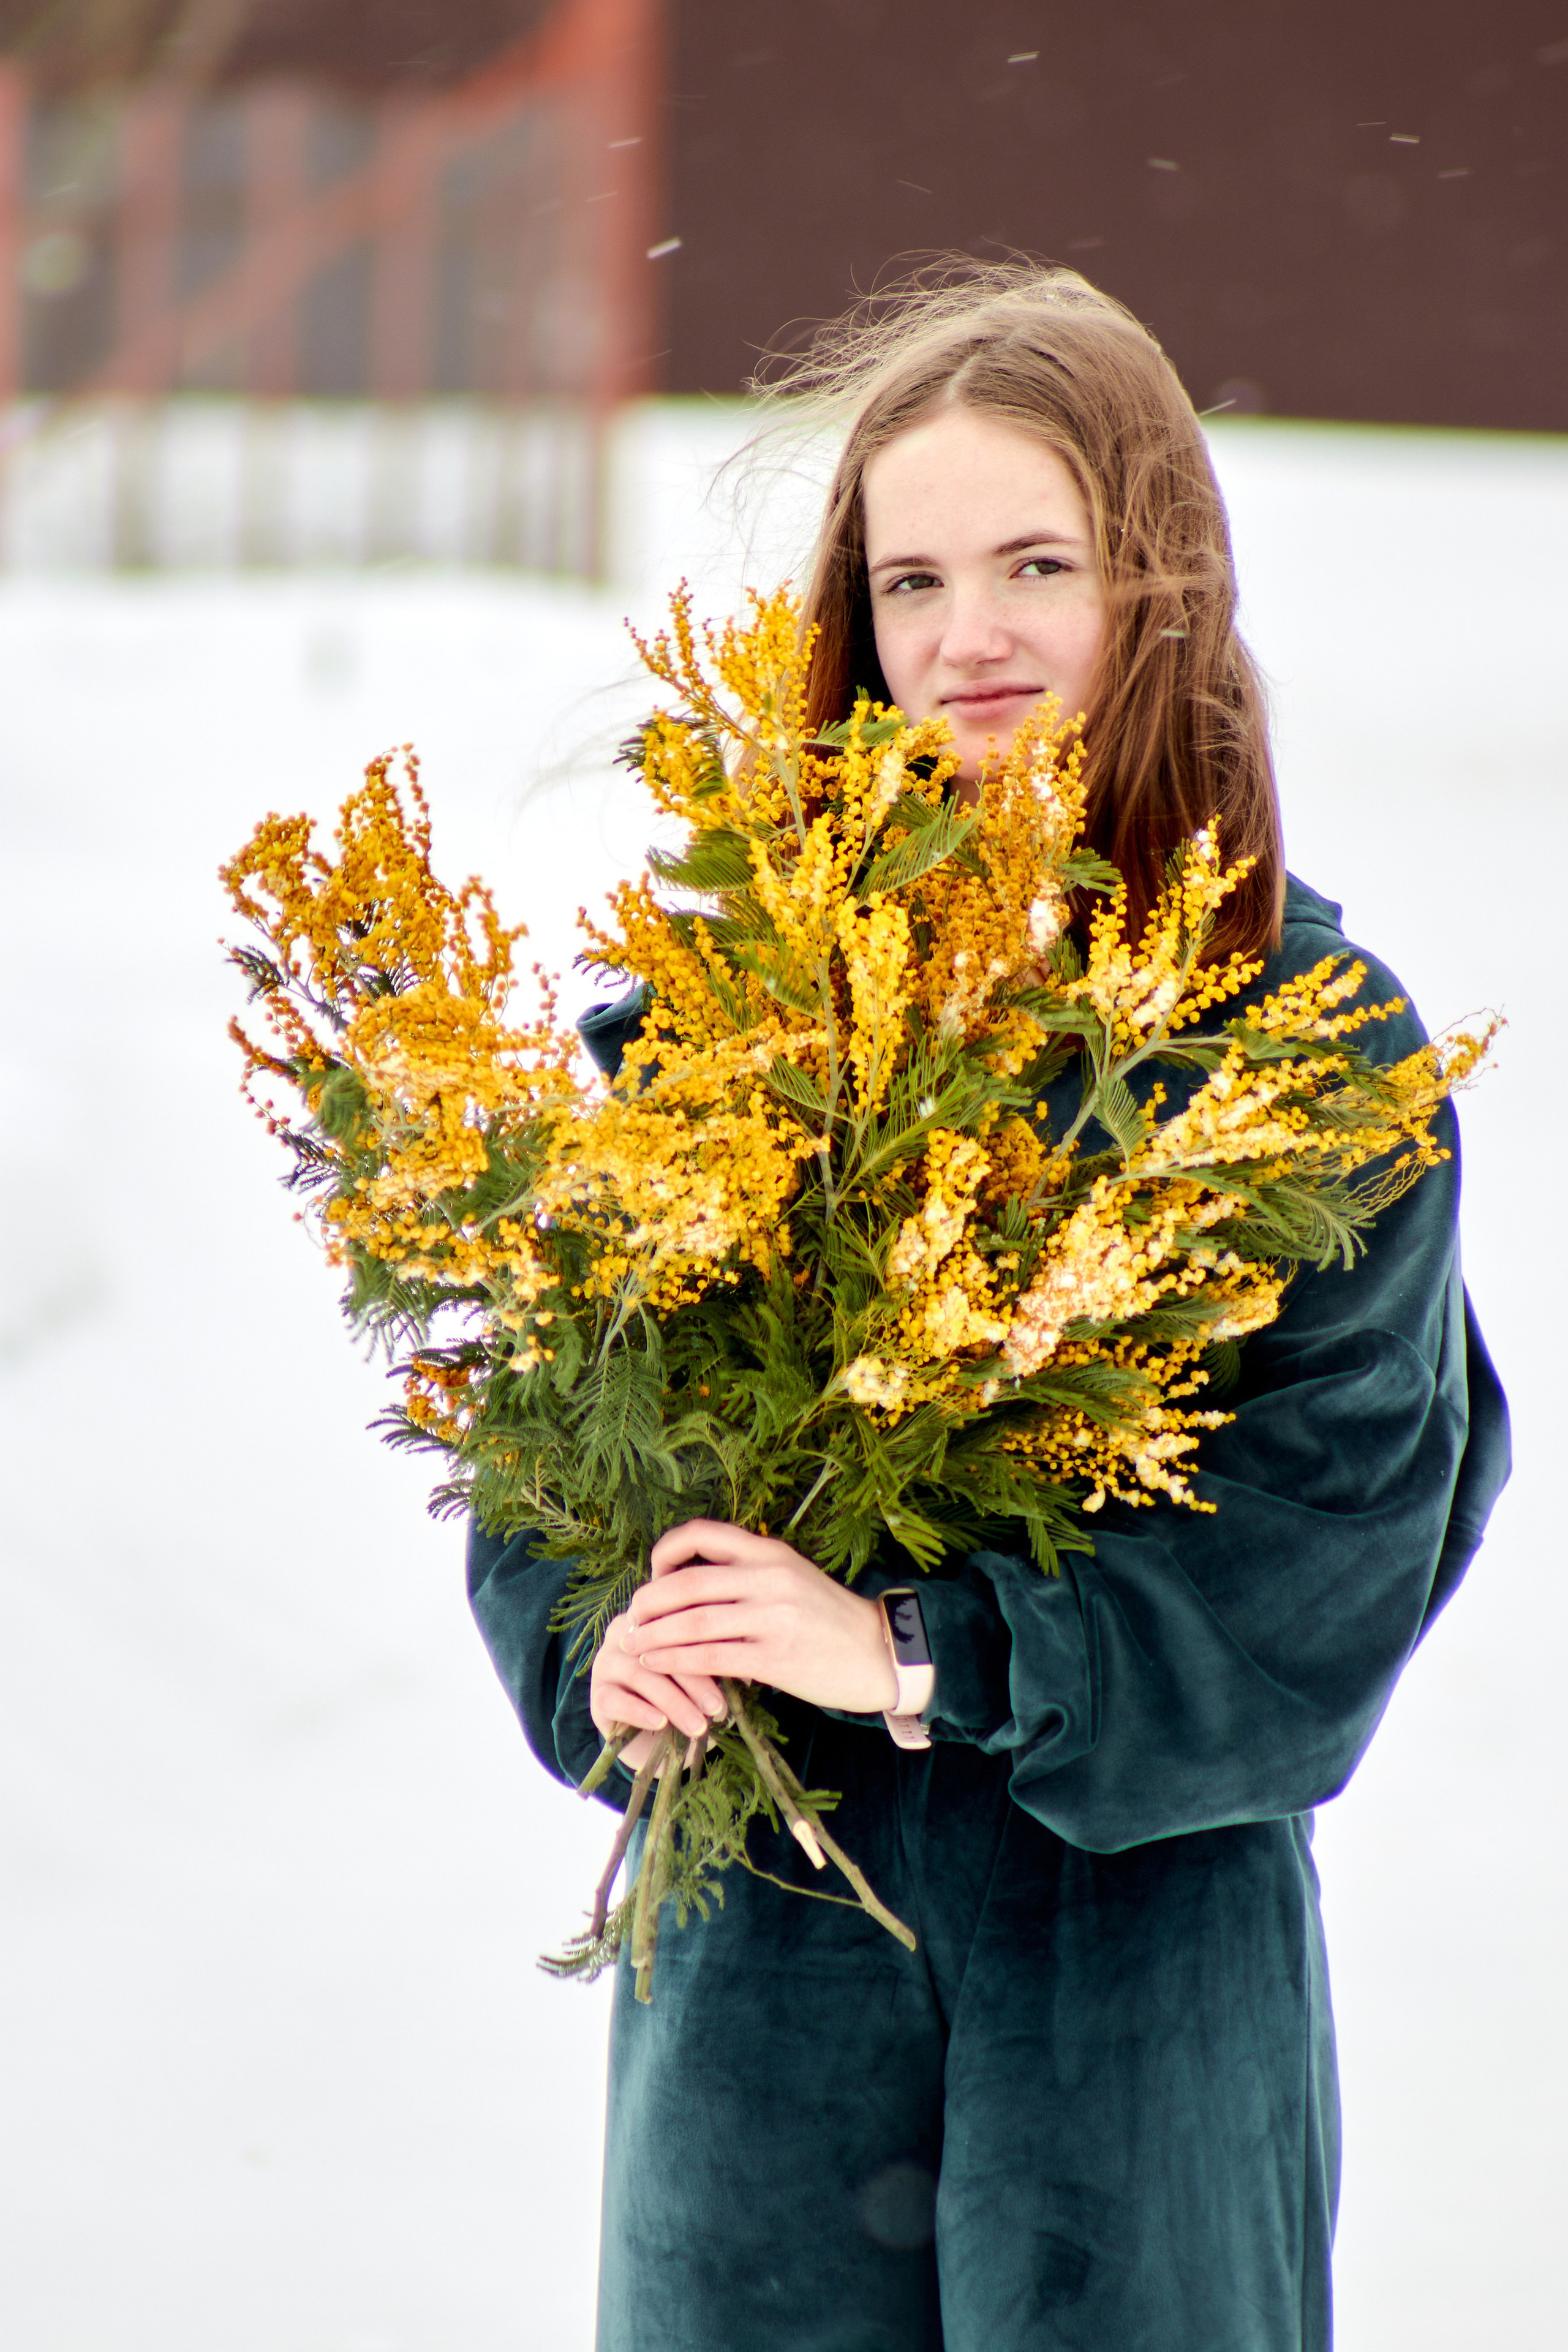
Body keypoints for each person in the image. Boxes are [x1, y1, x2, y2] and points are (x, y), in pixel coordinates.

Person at [467, 265, 1510, 2352]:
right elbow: (545, 1459)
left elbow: (1328, 1576)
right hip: (770, 1975)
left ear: (1160, 591)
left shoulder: (1307, 1057)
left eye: (1037, 562)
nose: (968, 637)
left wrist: (920, 1650)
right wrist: (609, 1650)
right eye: (910, 579)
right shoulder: (724, 1035)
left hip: (1134, 1997)